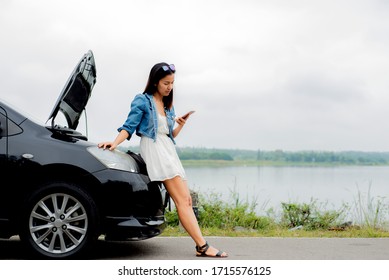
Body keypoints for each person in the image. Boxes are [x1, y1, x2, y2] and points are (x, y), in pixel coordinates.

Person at [98, 62, 228, 258]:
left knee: (186, 199)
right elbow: (129, 126)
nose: (170, 87)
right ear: (155, 82)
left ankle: (201, 245)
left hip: (168, 150)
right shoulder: (142, 101)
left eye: (172, 83)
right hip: (155, 150)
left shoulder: (168, 106)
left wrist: (180, 125)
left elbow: (169, 134)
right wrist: (115, 143)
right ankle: (202, 246)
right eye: (166, 83)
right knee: (182, 201)